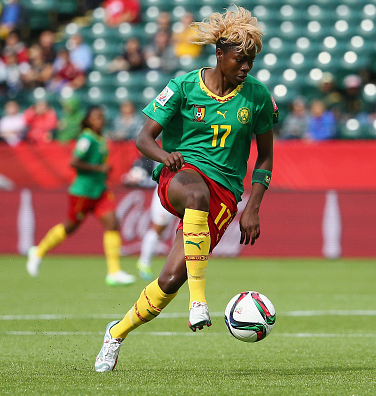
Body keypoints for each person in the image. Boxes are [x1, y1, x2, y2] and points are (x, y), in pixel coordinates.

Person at [94, 6, 276, 372]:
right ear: (219, 54)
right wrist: (165, 155)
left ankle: (115, 333)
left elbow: (266, 158)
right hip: (181, 174)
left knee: (169, 278)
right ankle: (199, 301)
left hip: (225, 192)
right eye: (240, 59)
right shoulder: (183, 87)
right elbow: (143, 139)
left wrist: (253, 207)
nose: (246, 68)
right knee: (195, 194)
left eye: (251, 61)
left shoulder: (257, 96)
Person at [26, 106, 136, 286]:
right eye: (96, 118)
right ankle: (38, 252)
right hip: (83, 192)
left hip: (99, 190)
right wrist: (99, 168)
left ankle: (114, 272)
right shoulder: (86, 138)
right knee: (70, 227)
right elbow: (75, 162)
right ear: (88, 120)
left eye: (101, 117)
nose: (100, 120)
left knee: (113, 224)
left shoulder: (99, 138)